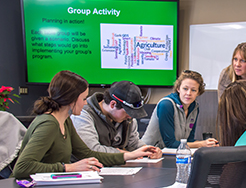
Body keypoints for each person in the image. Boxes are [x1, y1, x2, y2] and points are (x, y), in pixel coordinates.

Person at [13, 71, 159, 179]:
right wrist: (68, 168)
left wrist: (130, 155)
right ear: (71, 99)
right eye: (83, 99)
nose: (85, 103)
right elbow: (22, 168)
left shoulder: (66, 121)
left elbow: (88, 154)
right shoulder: (48, 124)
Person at [70, 81, 162, 157]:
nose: (130, 117)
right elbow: (92, 150)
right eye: (127, 112)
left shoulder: (127, 120)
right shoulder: (83, 115)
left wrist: (148, 150)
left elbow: (133, 144)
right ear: (113, 104)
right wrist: (125, 155)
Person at [142, 70, 219, 149]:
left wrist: (208, 143)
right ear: (178, 89)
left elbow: (189, 140)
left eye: (193, 90)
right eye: (185, 88)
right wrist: (201, 144)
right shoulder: (166, 104)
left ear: (198, 92)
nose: (188, 93)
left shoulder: (194, 107)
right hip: (149, 154)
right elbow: (170, 143)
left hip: (175, 153)